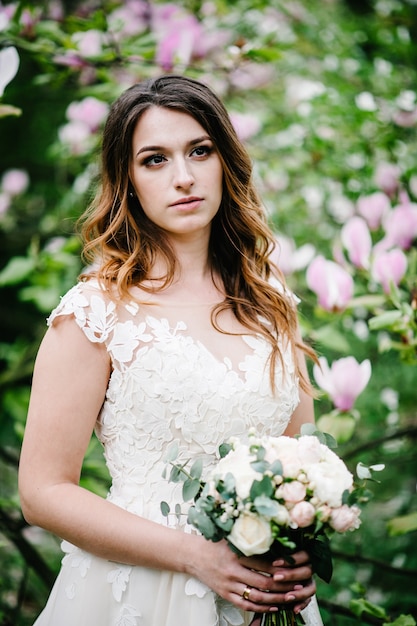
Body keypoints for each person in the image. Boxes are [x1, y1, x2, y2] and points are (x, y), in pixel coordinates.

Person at [19, 74, 324, 626]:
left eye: (199, 151)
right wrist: (197, 557)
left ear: (225, 161)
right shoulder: (94, 312)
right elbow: (42, 492)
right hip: (139, 593)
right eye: (154, 160)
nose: (183, 177)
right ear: (128, 180)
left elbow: (302, 462)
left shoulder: (272, 301)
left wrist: (297, 547)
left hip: (261, 598)